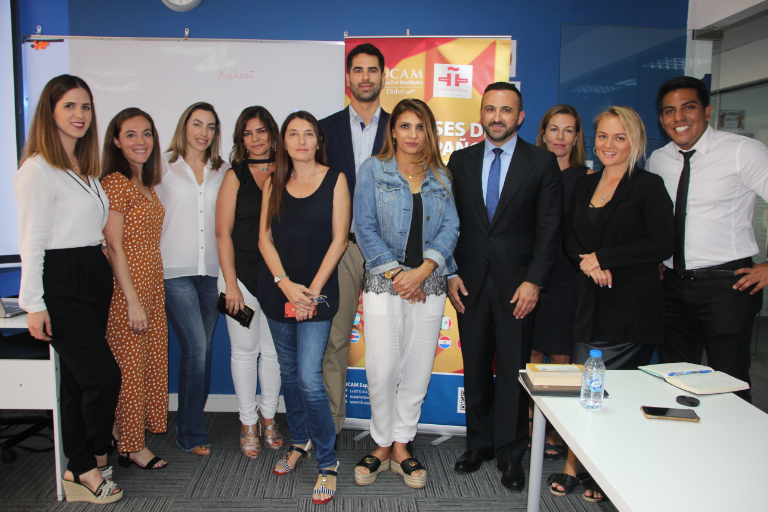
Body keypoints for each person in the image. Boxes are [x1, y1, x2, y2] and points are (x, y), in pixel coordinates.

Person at [550, 106, 674, 503]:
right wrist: (589, 262)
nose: (609, 145)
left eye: (619, 137)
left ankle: (607, 471)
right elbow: (569, 236)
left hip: (631, 306)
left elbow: (662, 244)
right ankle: (574, 464)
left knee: (615, 396)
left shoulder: (649, 186)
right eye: (603, 136)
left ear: (635, 141)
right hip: (590, 301)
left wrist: (605, 258)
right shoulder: (587, 184)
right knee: (584, 387)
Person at [447, 82, 564, 490]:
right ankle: (478, 445)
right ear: (481, 114)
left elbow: (550, 229)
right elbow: (451, 224)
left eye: (506, 110)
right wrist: (450, 272)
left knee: (514, 370)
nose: (497, 117)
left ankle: (511, 453)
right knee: (476, 369)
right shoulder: (459, 161)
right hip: (469, 283)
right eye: (490, 109)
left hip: (519, 288)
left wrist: (534, 281)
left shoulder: (541, 162)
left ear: (521, 117)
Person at [15, 74, 122, 503]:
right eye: (69, 107)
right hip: (61, 280)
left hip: (91, 273)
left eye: (85, 107)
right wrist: (33, 304)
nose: (79, 115)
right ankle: (88, 458)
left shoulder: (84, 169)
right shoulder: (37, 169)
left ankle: (79, 470)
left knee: (78, 383)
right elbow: (32, 241)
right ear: (50, 112)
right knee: (103, 377)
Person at [353, 99, 459, 488]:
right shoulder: (373, 171)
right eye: (405, 126)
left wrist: (425, 270)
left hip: (428, 287)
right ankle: (380, 442)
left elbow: (451, 228)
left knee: (417, 370)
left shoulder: (441, 176)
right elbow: (364, 227)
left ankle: (401, 443)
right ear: (393, 131)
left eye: (420, 127)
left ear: (428, 132)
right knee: (382, 369)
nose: (413, 135)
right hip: (385, 284)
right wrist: (400, 275)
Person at [648, 76, 768, 403]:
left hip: (727, 287)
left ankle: (735, 451)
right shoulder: (659, 160)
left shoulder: (744, 151)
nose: (679, 118)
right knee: (675, 380)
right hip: (671, 287)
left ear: (707, 111)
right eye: (669, 111)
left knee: (729, 381)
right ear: (661, 119)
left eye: (688, 108)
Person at [257, 111, 350, 504]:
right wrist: (285, 285)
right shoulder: (274, 181)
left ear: (317, 140)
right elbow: (263, 238)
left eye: (307, 133)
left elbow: (340, 240)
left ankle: (328, 463)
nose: (300, 140)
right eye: (292, 134)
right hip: (278, 291)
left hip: (318, 295)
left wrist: (309, 292)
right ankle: (299, 443)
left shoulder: (335, 180)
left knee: (311, 378)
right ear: (284, 141)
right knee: (290, 374)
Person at [319, 43, 391, 436]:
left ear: (384, 76)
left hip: (388, 251)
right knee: (334, 341)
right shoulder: (323, 129)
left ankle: (389, 434)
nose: (365, 77)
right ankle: (330, 427)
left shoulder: (402, 127)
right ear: (348, 78)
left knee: (388, 345)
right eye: (358, 70)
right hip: (341, 247)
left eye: (372, 70)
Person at [155, 102, 230, 455]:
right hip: (174, 272)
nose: (203, 132)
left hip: (211, 274)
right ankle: (191, 432)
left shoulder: (223, 170)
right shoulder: (162, 167)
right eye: (197, 124)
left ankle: (190, 424)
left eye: (210, 126)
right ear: (184, 126)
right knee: (196, 347)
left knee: (204, 349)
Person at [101, 108, 168, 470]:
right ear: (115, 140)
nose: (140, 142)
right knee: (130, 367)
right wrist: (132, 301)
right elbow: (114, 246)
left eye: (146, 134)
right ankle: (130, 445)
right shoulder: (115, 183)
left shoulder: (145, 182)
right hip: (129, 288)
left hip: (151, 282)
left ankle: (120, 430)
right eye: (130, 135)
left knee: (146, 363)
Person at [215, 106, 282, 459]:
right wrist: (230, 284)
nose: (255, 139)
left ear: (272, 133)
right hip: (238, 279)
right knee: (244, 353)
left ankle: (269, 418)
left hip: (276, 281)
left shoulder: (287, 173)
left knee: (272, 354)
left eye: (261, 131)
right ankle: (247, 423)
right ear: (241, 139)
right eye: (247, 133)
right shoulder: (233, 176)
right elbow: (222, 233)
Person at [530, 104, 593, 460]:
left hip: (570, 276)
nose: (560, 137)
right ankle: (529, 420)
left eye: (568, 130)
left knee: (565, 356)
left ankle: (558, 427)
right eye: (554, 129)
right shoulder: (529, 171)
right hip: (533, 275)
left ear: (577, 138)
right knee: (533, 351)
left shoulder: (587, 179)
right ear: (543, 133)